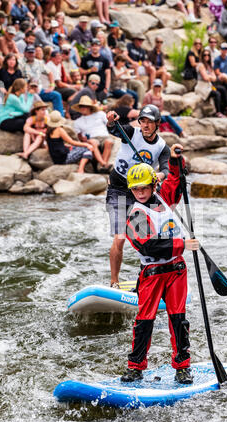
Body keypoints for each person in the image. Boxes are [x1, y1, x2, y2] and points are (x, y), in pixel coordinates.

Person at [121, 145, 199, 384]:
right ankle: (135, 367)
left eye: (144, 188)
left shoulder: (164, 198)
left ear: (154, 185)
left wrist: (175, 160)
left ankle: (182, 367)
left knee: (178, 319)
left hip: (176, 271)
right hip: (152, 273)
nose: (140, 193)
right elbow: (148, 246)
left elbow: (176, 180)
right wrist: (183, 244)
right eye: (135, 189)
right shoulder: (135, 214)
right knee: (145, 321)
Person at [106, 104, 171, 288]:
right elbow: (113, 129)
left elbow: (166, 167)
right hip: (118, 189)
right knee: (120, 237)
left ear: (157, 124)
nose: (145, 125)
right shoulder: (130, 133)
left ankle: (146, 278)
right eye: (143, 121)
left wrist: (161, 175)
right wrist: (111, 120)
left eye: (150, 122)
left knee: (145, 237)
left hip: (140, 193)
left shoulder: (161, 146)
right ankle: (114, 282)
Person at [19, 44, 64, 116]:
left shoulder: (39, 62)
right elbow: (18, 78)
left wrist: (52, 86)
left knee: (56, 95)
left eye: (32, 52)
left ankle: (59, 118)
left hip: (39, 89)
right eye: (29, 52)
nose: (31, 54)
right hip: (26, 90)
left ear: (34, 53)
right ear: (24, 53)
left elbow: (50, 73)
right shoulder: (20, 63)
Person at [71, 95, 114, 170]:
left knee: (109, 142)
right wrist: (83, 139)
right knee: (93, 142)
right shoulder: (77, 121)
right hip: (91, 138)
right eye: (81, 106)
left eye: (85, 106)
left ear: (90, 107)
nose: (83, 108)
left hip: (104, 136)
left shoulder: (100, 114)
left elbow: (110, 124)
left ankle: (102, 167)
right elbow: (79, 136)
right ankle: (103, 164)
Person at [197, 49, 227, 117]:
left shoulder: (209, 65)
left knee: (222, 89)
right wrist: (210, 77)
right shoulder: (200, 65)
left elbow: (214, 79)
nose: (206, 56)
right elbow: (205, 78)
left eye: (208, 55)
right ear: (202, 56)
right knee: (217, 94)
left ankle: (226, 108)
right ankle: (218, 112)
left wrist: (209, 77)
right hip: (202, 87)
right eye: (205, 55)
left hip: (208, 86)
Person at [80, 38, 111, 102]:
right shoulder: (85, 58)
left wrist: (106, 88)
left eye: (96, 46)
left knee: (101, 107)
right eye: (93, 45)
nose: (95, 47)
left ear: (100, 47)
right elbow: (80, 71)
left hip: (101, 88)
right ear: (91, 47)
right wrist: (89, 70)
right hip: (89, 88)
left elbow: (108, 74)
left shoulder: (105, 59)